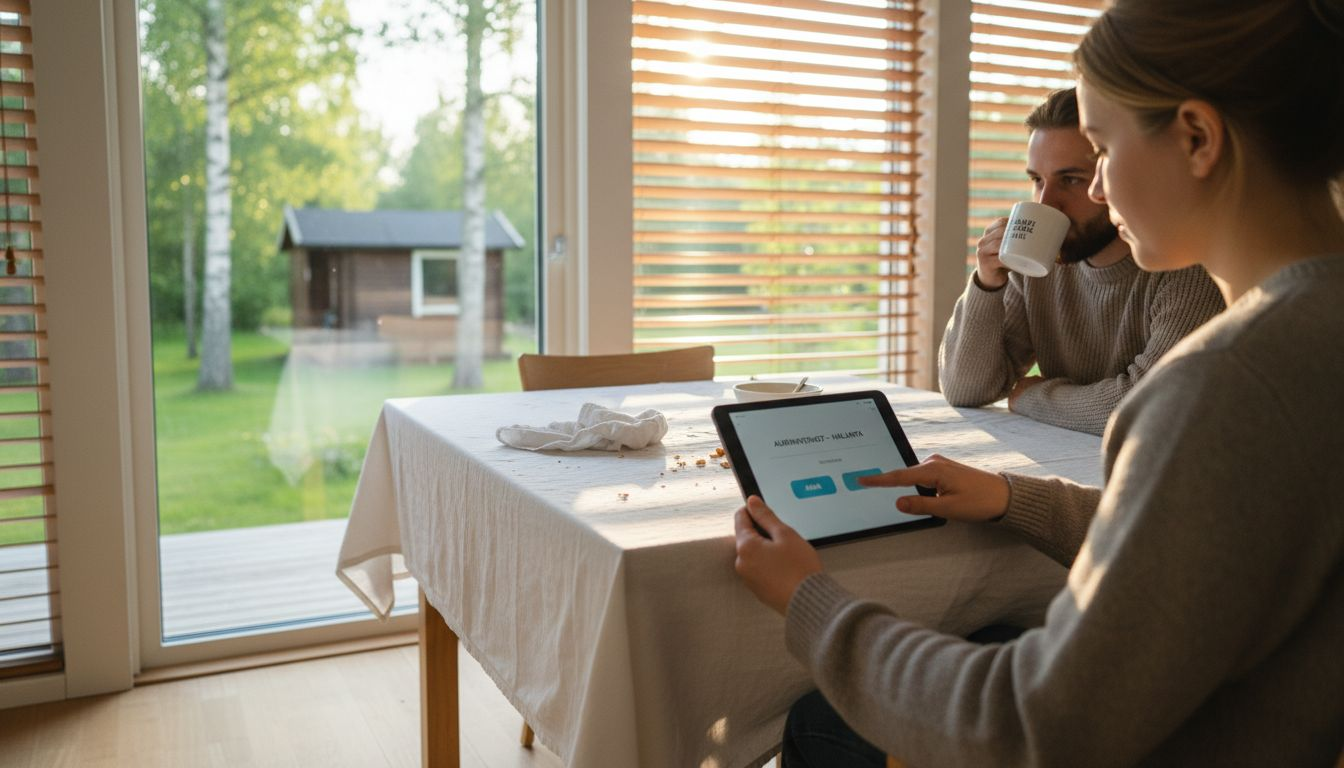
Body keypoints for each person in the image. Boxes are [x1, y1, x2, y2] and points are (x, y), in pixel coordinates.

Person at [733, 1, 1344, 765]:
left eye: (1100, 149)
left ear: (1196, 138)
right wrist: (1015, 499)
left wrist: (810, 603)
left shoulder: (1220, 386)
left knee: (817, 722)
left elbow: (1034, 723)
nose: (1097, 190)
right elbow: (1219, 543)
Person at [939, 88, 1225, 436]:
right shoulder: (1040, 264)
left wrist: (1033, 397)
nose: (1047, 202)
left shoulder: (1185, 268)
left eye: (1071, 180)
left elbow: (1152, 405)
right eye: (1036, 180)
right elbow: (965, 390)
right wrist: (987, 283)